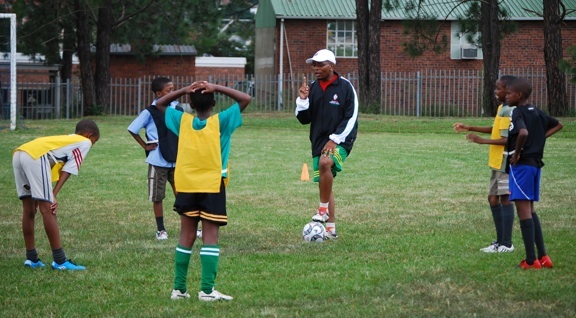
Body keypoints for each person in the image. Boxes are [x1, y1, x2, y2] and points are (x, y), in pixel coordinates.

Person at [154, 81, 251, 301]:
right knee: (210, 236)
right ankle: (207, 291)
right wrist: (217, 87)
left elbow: (160, 104)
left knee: (186, 236)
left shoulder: (182, 121)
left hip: (186, 185)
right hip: (211, 185)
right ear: (214, 103)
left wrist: (183, 90)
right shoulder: (221, 121)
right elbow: (246, 99)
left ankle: (179, 289)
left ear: (190, 104)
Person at [13, 119, 100, 270]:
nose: (92, 144)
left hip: (20, 153)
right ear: (89, 134)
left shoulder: (68, 138)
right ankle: (60, 261)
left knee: (29, 210)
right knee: (48, 209)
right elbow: (68, 170)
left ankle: (31, 259)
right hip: (35, 157)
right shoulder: (84, 142)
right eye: (95, 141)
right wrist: (53, 194)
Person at [296, 49, 359, 239]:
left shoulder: (345, 87)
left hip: (341, 140)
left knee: (325, 163)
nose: (316, 68)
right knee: (325, 182)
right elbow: (303, 119)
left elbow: (352, 117)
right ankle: (331, 230)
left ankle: (322, 211)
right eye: (314, 64)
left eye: (320, 64)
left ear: (331, 65)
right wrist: (303, 100)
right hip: (318, 142)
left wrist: (335, 139)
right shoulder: (313, 88)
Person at [453, 75, 517, 253]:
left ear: (509, 90)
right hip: (496, 162)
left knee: (505, 199)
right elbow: (495, 129)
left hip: (505, 162)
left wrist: (481, 141)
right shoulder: (501, 108)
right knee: (492, 198)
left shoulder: (509, 110)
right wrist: (469, 127)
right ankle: (499, 241)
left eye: (499, 89)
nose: (496, 92)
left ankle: (507, 244)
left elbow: (505, 139)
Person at [505, 77, 563, 269]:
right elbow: (558, 124)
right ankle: (544, 257)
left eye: (508, 93)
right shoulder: (537, 111)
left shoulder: (517, 112)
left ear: (518, 95)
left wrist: (518, 152)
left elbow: (522, 133)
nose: (506, 96)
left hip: (522, 166)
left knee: (523, 212)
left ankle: (531, 261)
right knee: (530, 210)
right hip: (536, 165)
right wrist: (540, 139)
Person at [128, 77, 182, 240]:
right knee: (157, 196)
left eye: (173, 89)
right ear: (159, 93)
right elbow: (133, 129)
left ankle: (189, 227)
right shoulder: (149, 112)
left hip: (176, 158)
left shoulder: (178, 109)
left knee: (182, 194)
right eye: (169, 90)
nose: (173, 92)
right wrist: (145, 145)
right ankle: (161, 229)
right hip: (157, 160)